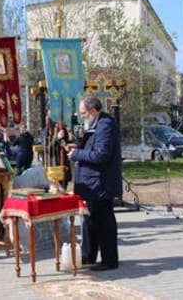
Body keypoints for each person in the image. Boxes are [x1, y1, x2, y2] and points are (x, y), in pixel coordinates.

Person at [67, 96, 122, 271]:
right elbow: (92, 149)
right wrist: (78, 148)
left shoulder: (105, 126)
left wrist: (77, 155)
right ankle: (89, 255)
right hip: (92, 184)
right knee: (90, 222)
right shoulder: (96, 124)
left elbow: (101, 155)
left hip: (101, 184)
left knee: (104, 223)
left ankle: (109, 260)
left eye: (83, 113)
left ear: (93, 111)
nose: (82, 117)